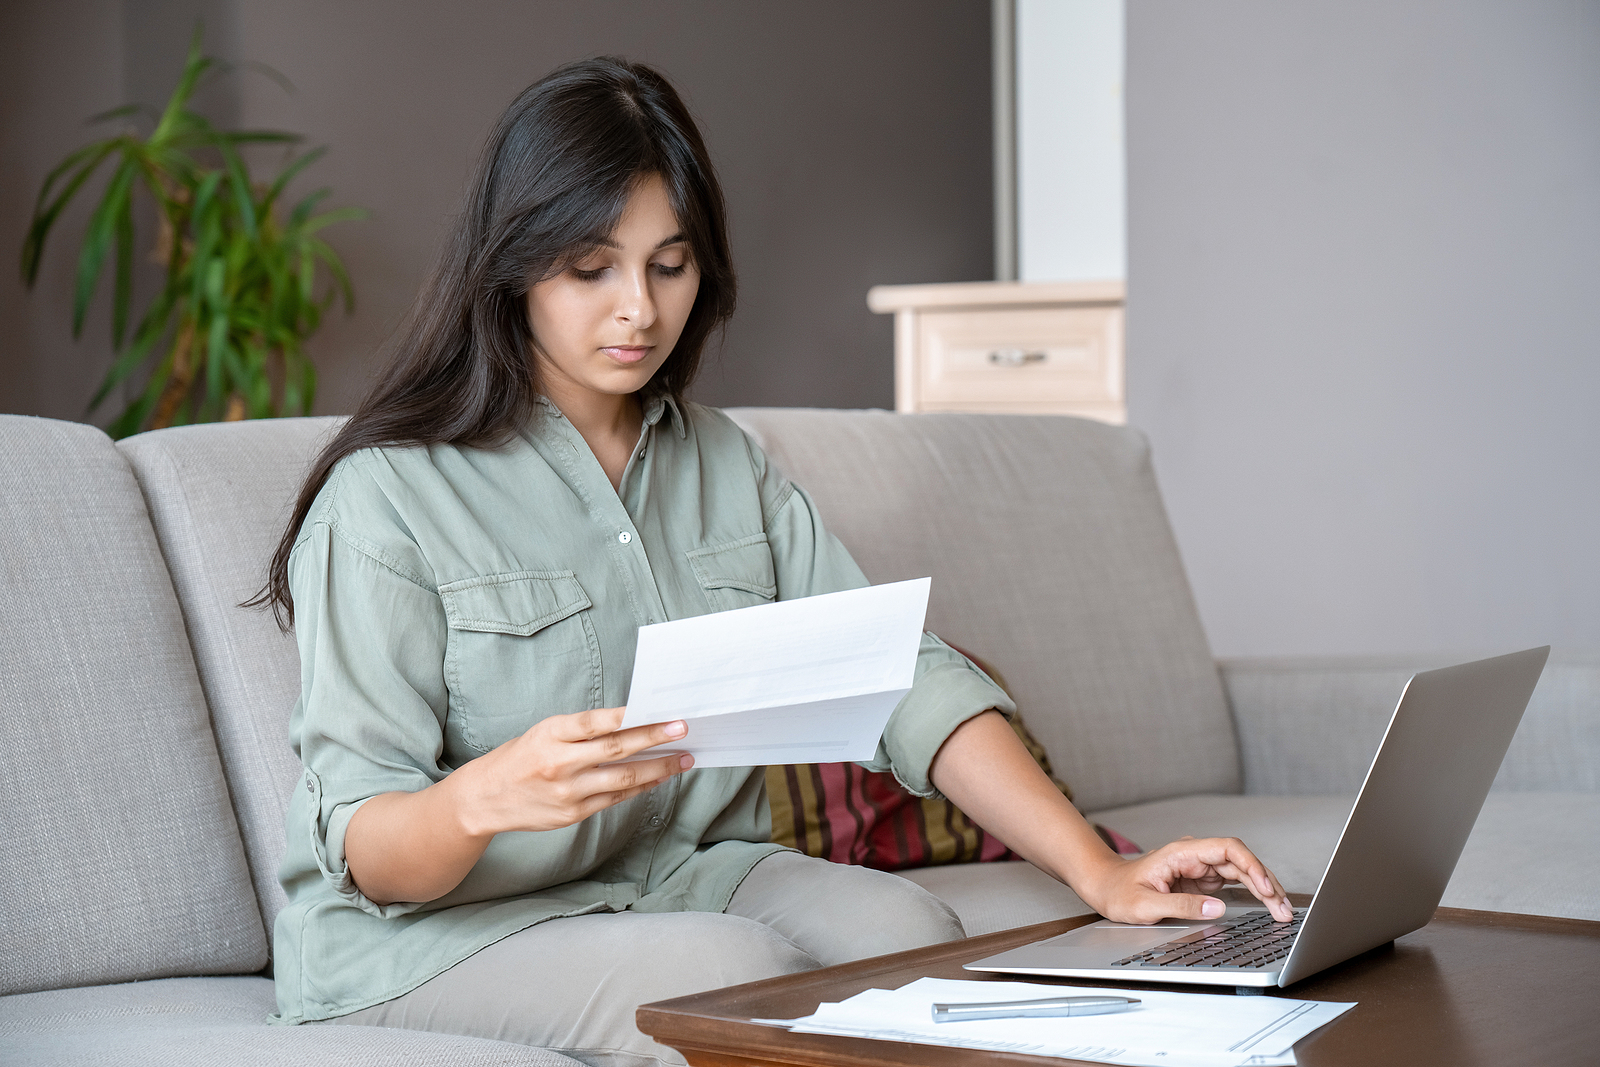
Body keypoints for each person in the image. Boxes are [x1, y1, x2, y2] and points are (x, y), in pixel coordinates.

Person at [259, 57, 1291, 1067]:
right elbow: (365, 843)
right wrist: (478, 797)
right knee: (728, 971)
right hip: (429, 931)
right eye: (590, 269)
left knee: (913, 935)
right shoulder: (386, 497)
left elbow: (900, 673)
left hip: (680, 870)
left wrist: (1098, 870)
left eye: (669, 264)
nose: (638, 310)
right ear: (514, 266)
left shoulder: (723, 463)